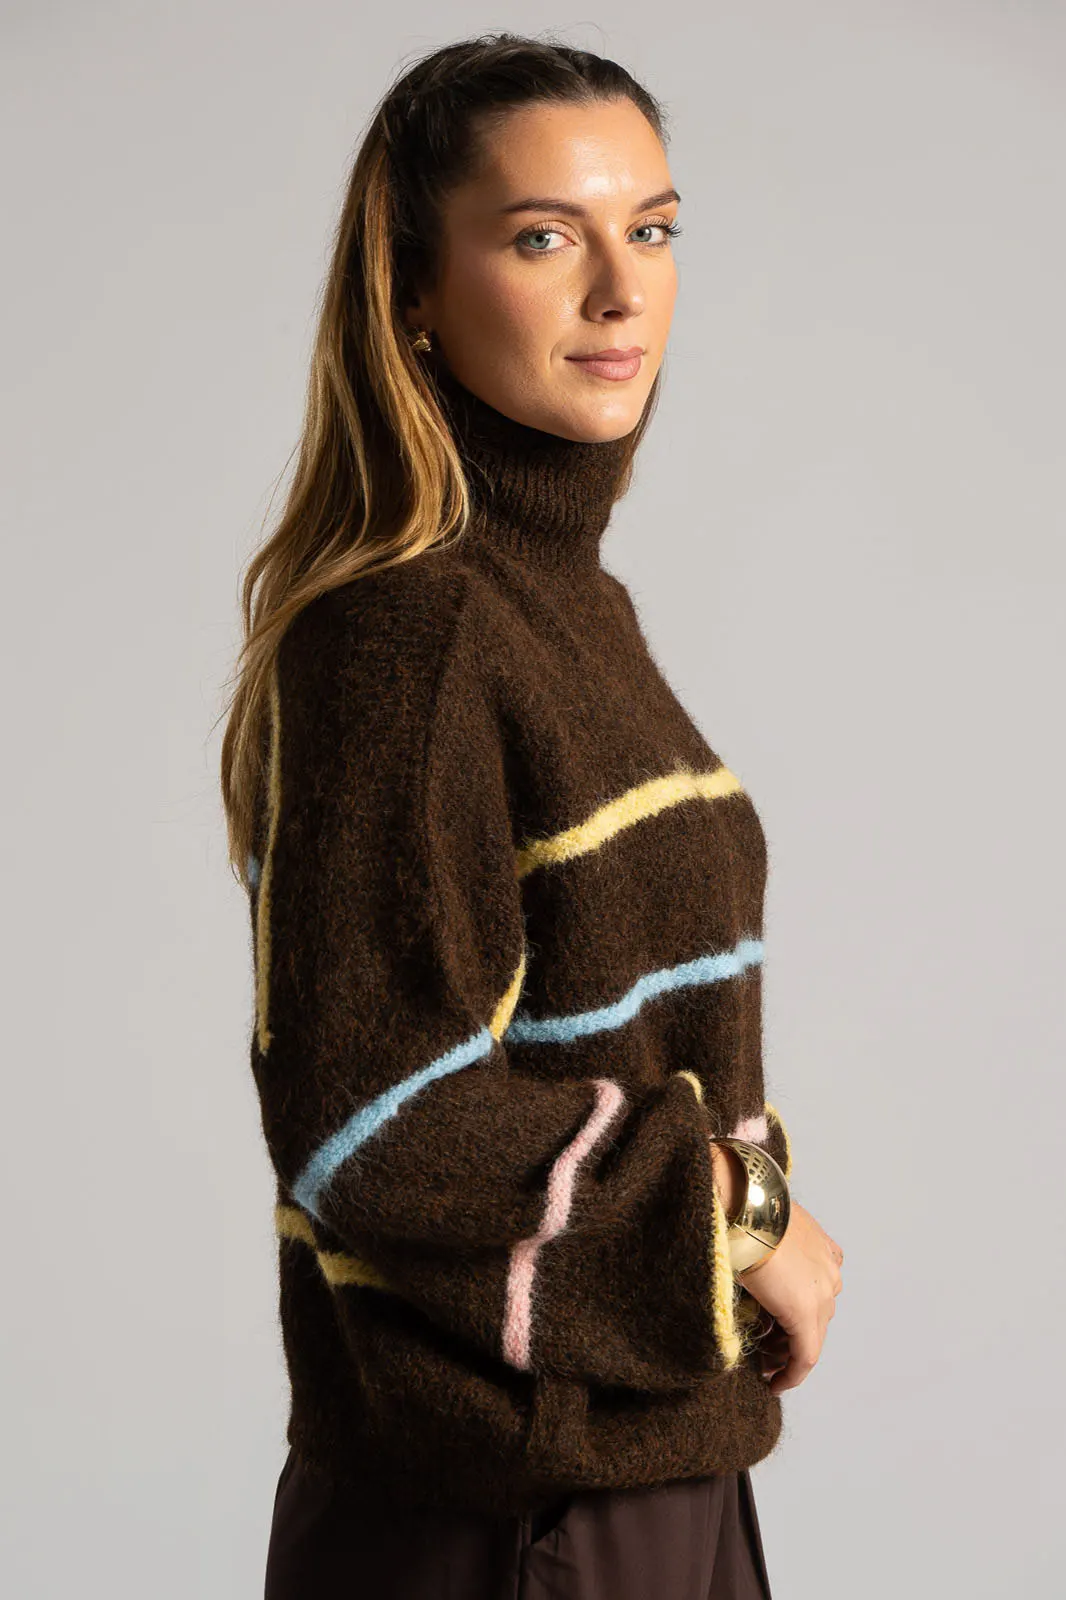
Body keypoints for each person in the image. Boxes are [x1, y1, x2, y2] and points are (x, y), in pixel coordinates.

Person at [219, 31, 844, 1600]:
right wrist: (736, 1213)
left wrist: (724, 1229)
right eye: (544, 238)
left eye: (652, 228)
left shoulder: (561, 603)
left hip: (639, 1464)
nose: (621, 290)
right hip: (500, 1514)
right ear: (412, 294)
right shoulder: (413, 631)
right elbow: (375, 1120)